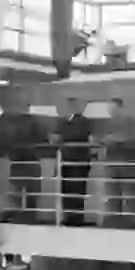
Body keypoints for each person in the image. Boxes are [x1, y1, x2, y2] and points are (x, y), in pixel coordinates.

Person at [0, 98, 46, 223]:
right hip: (21, 163)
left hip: (26, 162)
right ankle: (24, 219)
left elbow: (41, 138)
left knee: (26, 195)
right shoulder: (8, 120)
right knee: (22, 195)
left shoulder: (14, 120)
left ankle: (25, 219)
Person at [101, 98, 135, 228]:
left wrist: (116, 139)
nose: (109, 110)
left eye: (112, 107)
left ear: (120, 107)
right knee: (112, 194)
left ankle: (131, 222)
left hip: (128, 163)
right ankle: (114, 221)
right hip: (112, 163)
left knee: (130, 195)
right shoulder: (108, 123)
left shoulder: (132, 121)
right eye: (109, 108)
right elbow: (104, 140)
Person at [50, 97, 95, 226]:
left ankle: (77, 218)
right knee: (66, 190)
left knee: (77, 190)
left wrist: (60, 138)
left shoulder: (83, 121)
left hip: (78, 162)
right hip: (66, 161)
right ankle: (68, 216)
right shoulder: (63, 123)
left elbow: (78, 136)